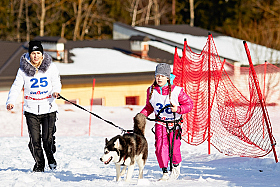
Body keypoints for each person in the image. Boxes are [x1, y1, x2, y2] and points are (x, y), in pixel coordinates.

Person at [6, 40, 61, 172]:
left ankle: (51, 158)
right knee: (35, 141)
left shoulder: (51, 67)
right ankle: (39, 164)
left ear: (42, 54)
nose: (35, 56)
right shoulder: (22, 70)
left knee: (47, 140)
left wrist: (56, 91)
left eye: (38, 53)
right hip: (31, 110)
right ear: (29, 54)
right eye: (33, 53)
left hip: (48, 109)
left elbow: (56, 82)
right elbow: (16, 86)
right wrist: (10, 101)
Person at [140, 63, 193, 181]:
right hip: (160, 123)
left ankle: (175, 166)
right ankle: (164, 171)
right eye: (157, 75)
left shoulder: (177, 91)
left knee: (174, 148)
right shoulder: (150, 91)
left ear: (168, 77)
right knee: (160, 147)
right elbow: (149, 107)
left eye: (162, 76)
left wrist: (178, 109)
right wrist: (141, 115)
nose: (159, 78)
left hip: (175, 124)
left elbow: (189, 105)